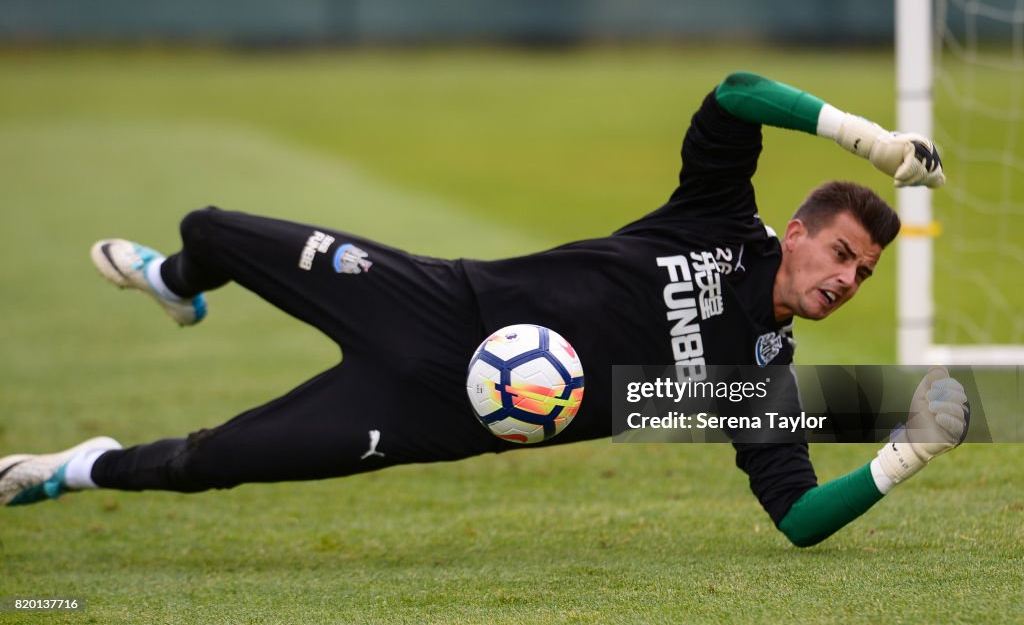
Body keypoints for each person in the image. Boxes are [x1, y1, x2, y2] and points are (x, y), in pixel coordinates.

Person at [0, 72, 969, 547]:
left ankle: (73, 468)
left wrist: (909, 447)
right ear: (796, 231)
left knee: (216, 461)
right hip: (428, 299)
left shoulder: (755, 379)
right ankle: (177, 285)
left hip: (434, 419)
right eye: (841, 252)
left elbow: (797, 517)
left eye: (863, 275)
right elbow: (733, 95)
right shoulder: (714, 215)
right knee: (212, 226)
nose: (845, 278)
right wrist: (871, 140)